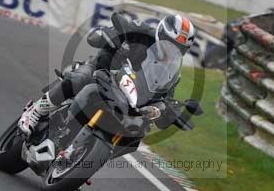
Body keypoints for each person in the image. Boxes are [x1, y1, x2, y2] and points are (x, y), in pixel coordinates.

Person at [18, 12, 196, 135]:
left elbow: (164, 98)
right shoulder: (141, 32)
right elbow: (117, 23)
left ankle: (84, 158)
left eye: (179, 48)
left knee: (139, 127)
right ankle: (36, 112)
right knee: (81, 78)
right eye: (170, 43)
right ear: (161, 33)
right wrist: (113, 37)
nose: (172, 49)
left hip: (128, 96)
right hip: (104, 69)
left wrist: (171, 112)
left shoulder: (172, 72)